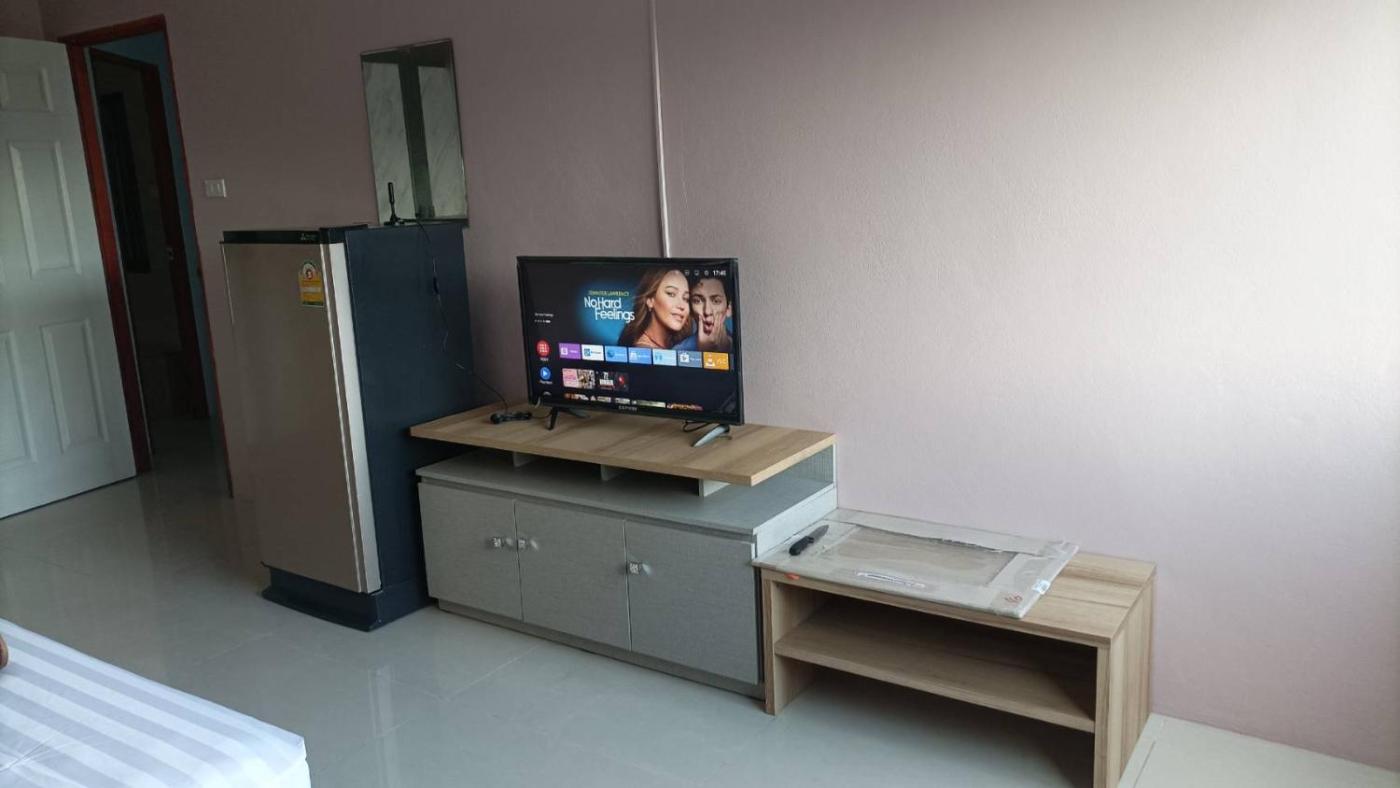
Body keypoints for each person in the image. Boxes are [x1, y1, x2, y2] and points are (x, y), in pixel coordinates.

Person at [617, 268, 692, 349]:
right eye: (671, 294)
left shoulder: (680, 344)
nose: (681, 306)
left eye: (686, 298)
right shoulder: (643, 350)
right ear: (650, 300)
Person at [679, 274, 734, 352]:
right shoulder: (679, 350)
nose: (707, 311)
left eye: (716, 301)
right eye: (697, 301)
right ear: (690, 310)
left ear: (729, 309)